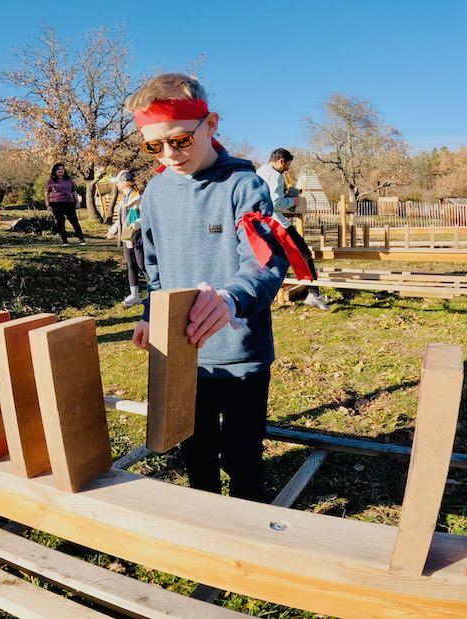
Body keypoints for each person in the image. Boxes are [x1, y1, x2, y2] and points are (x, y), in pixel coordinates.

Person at [128, 74, 313, 501]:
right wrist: (150, 314)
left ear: (210, 124)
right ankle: (204, 517)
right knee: (196, 450)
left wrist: (230, 300)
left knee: (243, 455)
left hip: (240, 355)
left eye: (180, 140)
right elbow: (154, 267)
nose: (169, 154)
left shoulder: (244, 187)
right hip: (181, 353)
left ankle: (248, 521)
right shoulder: (154, 192)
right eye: (154, 146)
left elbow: (264, 263)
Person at [256, 148, 329, 310]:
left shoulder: (259, 172)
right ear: (281, 161)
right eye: (287, 165)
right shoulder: (275, 175)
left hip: (261, 223)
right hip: (278, 224)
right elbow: (275, 202)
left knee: (272, 259)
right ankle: (313, 294)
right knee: (304, 254)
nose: (288, 168)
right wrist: (293, 201)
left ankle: (263, 295)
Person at [112, 170, 143, 306]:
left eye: (118, 182)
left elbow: (147, 215)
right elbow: (122, 218)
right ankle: (134, 295)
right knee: (130, 264)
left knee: (142, 264)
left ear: (125, 182)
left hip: (138, 235)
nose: (117, 184)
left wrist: (137, 224)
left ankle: (155, 291)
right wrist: (114, 228)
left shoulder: (139, 197)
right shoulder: (123, 198)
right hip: (127, 236)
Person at [45, 163, 86, 246]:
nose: (61, 171)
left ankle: (81, 240)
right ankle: (65, 241)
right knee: (61, 222)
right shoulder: (50, 182)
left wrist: (77, 202)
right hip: (56, 204)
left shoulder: (69, 180)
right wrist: (48, 205)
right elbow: (46, 193)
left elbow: (74, 192)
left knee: (74, 221)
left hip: (69, 203)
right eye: (58, 169)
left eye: (62, 169)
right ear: (55, 171)